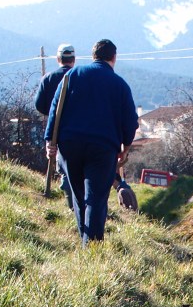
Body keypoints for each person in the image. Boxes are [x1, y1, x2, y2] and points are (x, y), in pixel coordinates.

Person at [44, 39, 138, 245]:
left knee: (79, 197)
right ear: (114, 57)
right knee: (96, 198)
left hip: (70, 145)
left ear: (93, 56)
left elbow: (55, 109)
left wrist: (49, 140)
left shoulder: (71, 76)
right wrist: (126, 147)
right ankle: (92, 246)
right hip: (103, 148)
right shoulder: (119, 84)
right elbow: (130, 121)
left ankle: (85, 240)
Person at [35, 42, 76, 207]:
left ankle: (64, 192)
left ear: (58, 59)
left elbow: (39, 105)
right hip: (75, 128)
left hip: (55, 129)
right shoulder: (78, 77)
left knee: (58, 158)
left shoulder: (49, 78)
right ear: (73, 59)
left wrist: (51, 114)